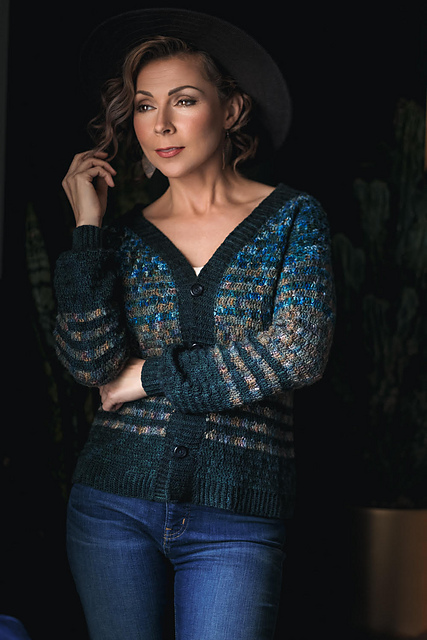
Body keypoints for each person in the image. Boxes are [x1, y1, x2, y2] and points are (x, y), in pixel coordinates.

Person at [53, 9, 335, 640]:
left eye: (183, 100)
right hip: (111, 508)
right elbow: (92, 365)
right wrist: (89, 232)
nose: (161, 124)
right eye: (145, 105)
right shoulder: (120, 240)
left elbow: (298, 352)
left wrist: (149, 377)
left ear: (231, 109)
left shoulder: (292, 218)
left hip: (236, 517)